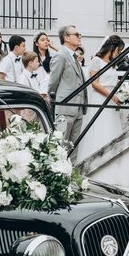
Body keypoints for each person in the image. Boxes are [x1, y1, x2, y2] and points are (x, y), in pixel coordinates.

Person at [75, 35, 125, 161]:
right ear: (112, 48)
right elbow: (95, 83)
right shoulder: (96, 61)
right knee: (100, 129)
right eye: (119, 50)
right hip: (101, 98)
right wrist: (112, 96)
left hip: (111, 100)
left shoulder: (112, 64)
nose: (119, 53)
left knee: (111, 129)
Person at [47, 25, 88, 158]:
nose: (79, 36)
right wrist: (55, 101)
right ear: (66, 37)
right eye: (76, 34)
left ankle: (72, 176)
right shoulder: (61, 56)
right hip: (65, 107)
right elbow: (53, 82)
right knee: (61, 148)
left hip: (78, 108)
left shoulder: (74, 56)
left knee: (73, 148)